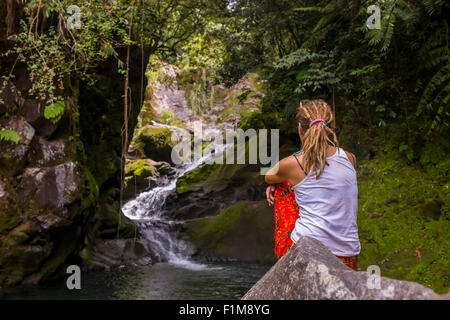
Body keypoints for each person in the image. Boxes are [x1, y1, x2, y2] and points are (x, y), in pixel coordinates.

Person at [265, 99, 360, 270]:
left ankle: (284, 261)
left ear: (301, 129)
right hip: (348, 255)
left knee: (282, 185)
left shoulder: (293, 164)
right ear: (329, 126)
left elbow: (269, 176)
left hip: (307, 252)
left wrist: (279, 181)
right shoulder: (350, 158)